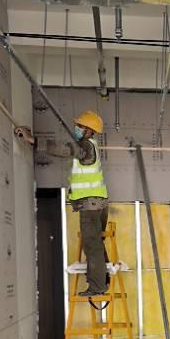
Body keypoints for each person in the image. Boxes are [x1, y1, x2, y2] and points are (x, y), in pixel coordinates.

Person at [67, 110, 109, 297]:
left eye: (81, 126)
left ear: (89, 130)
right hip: (98, 204)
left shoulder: (86, 146)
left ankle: (98, 286)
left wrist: (35, 142)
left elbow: (64, 150)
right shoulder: (91, 146)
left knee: (92, 246)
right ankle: (103, 280)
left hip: (90, 206)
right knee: (96, 245)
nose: (77, 128)